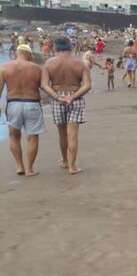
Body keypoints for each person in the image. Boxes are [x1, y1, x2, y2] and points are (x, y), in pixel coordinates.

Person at [41, 37, 91, 175]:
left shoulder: (49, 63)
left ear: (55, 48)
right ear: (71, 47)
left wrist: (57, 97)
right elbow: (87, 85)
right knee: (72, 134)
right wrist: (72, 97)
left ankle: (65, 161)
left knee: (62, 134)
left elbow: (44, 85)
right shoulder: (80, 63)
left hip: (58, 98)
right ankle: (72, 166)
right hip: (75, 97)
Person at [0, 44, 44, 177]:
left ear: (17, 53)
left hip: (13, 104)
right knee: (32, 137)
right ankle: (29, 169)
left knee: (14, 136)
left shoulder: (4, 67)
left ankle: (20, 166)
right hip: (32, 104)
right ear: (29, 54)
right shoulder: (36, 68)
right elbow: (44, 86)